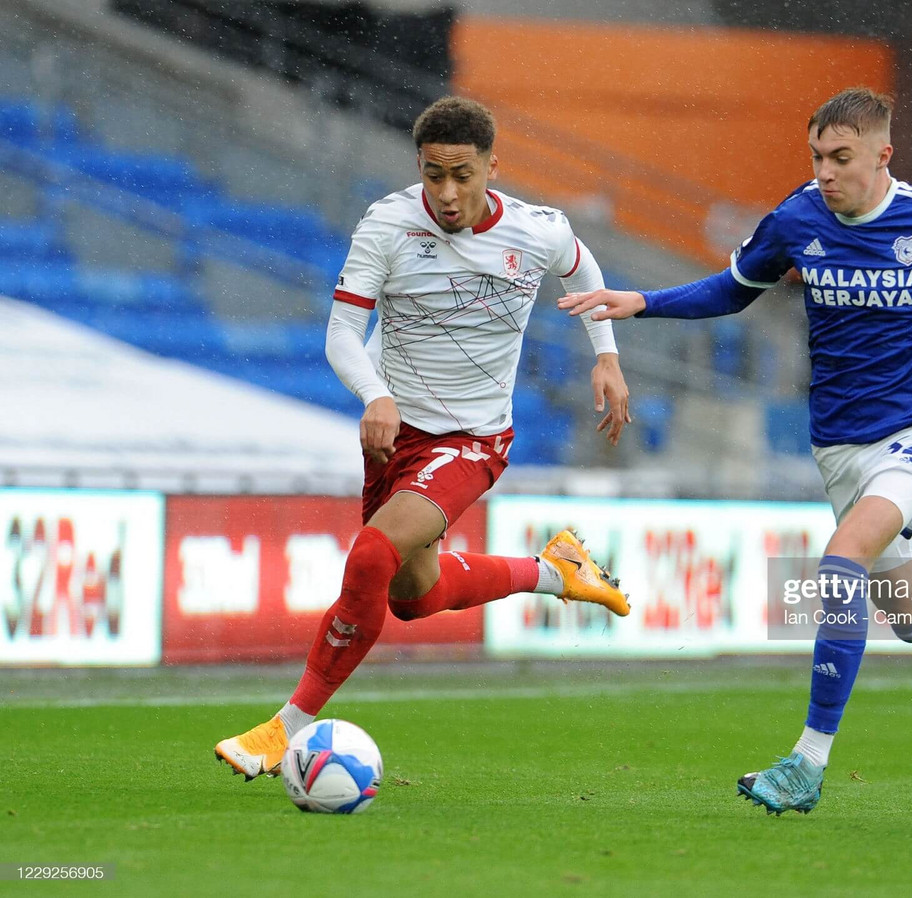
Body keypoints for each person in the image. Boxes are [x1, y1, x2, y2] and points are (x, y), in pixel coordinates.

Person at [560, 87, 912, 816]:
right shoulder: (797, 217)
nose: (825, 172)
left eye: (841, 158)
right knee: (910, 615)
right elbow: (733, 289)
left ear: (883, 156)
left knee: (839, 565)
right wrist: (643, 302)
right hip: (839, 440)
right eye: (816, 156)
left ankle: (807, 764)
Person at [216, 97, 633, 780]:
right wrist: (376, 395)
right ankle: (558, 572)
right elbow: (342, 332)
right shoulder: (387, 225)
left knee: (373, 555)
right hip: (394, 432)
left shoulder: (538, 230)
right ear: (419, 166)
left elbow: (582, 270)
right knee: (413, 599)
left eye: (463, 175)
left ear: (493, 167)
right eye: (434, 174)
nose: (447, 192)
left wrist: (607, 355)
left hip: (472, 439)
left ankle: (284, 728)